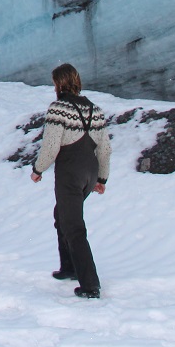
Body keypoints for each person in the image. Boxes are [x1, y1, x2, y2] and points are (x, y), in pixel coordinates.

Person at [30, 63, 111, 299]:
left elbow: (52, 144)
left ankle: (90, 284)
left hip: (70, 172)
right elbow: (105, 148)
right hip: (90, 170)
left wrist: (38, 169)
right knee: (62, 216)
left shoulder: (58, 108)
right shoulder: (95, 109)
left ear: (59, 83)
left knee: (74, 226)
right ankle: (69, 267)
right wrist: (102, 177)